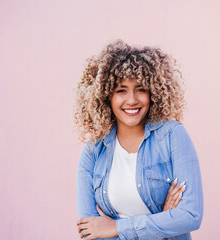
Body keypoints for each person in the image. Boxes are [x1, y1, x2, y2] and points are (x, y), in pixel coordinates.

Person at [74, 39, 203, 240]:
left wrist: (117, 227)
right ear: (105, 96)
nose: (132, 99)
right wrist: (162, 220)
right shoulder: (92, 153)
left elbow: (190, 216)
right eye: (121, 90)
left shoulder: (172, 136)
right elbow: (91, 232)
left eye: (141, 89)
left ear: (154, 93)